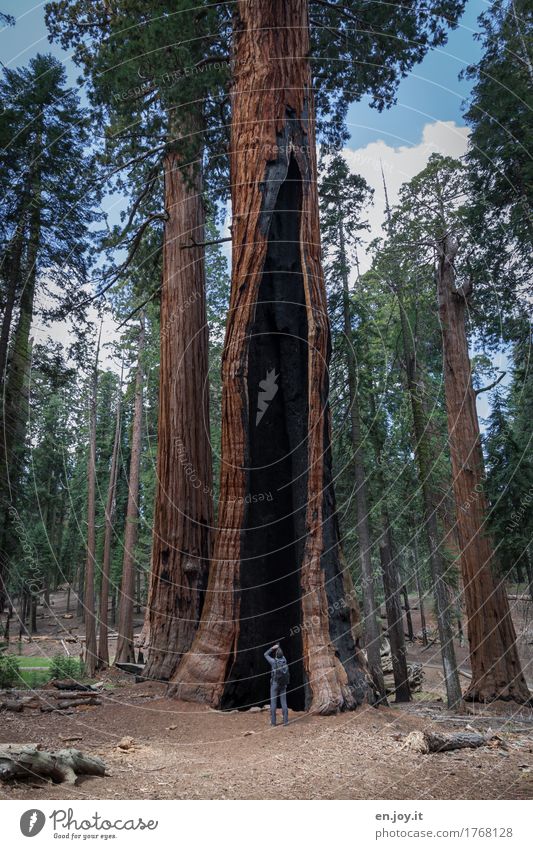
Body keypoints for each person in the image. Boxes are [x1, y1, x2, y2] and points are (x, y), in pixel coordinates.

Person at [264, 643, 289, 727]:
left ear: (275, 655)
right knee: (284, 702)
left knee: (273, 703)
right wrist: (279, 648)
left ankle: (273, 722)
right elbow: (281, 656)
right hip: (283, 684)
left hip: (275, 684)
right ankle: (286, 721)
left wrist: (273, 648)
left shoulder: (273, 662)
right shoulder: (285, 661)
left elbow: (265, 654)